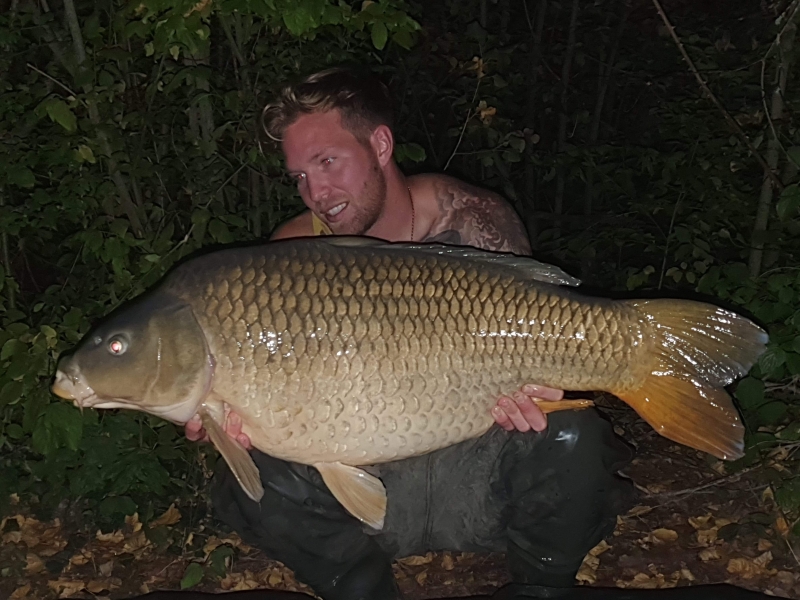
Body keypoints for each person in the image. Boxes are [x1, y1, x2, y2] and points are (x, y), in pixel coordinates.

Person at [186, 66, 634, 600]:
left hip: (476, 483)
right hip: (366, 502)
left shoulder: (474, 221)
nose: (316, 193)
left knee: (573, 437)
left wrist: (542, 391)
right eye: (299, 176)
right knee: (254, 475)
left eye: (327, 162)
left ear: (379, 144)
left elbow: (539, 334)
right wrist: (228, 413)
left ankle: (540, 588)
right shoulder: (289, 253)